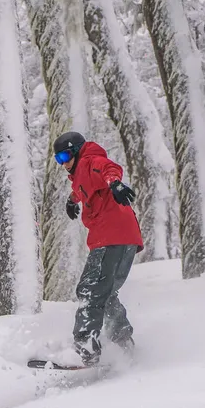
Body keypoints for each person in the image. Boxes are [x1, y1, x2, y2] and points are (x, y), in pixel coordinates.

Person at [53, 131, 143, 366]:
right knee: (106, 292)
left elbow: (108, 169)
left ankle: (85, 348)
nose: (62, 164)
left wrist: (115, 183)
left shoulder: (89, 161)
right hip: (127, 239)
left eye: (63, 156)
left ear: (74, 151)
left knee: (89, 290)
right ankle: (124, 344)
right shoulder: (81, 172)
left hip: (110, 237)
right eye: (57, 160)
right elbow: (86, 186)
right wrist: (73, 200)